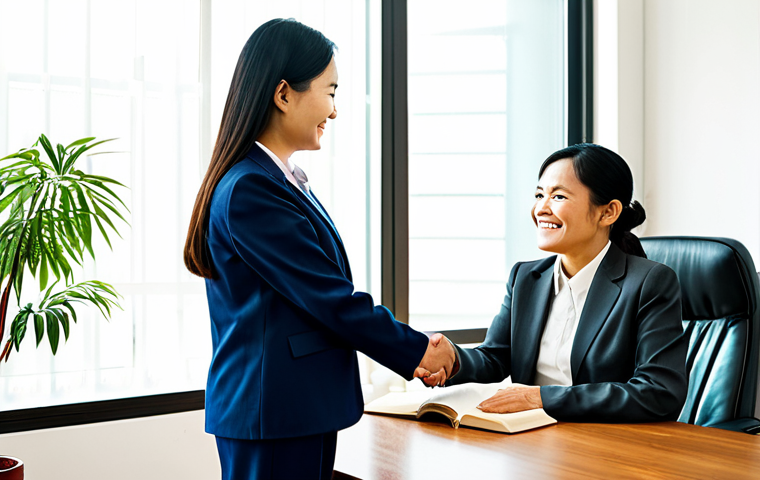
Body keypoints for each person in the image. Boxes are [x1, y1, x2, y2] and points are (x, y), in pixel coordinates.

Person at [183, 19, 454, 480]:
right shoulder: (252, 188)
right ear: (284, 94)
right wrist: (416, 352)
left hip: (289, 410)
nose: (334, 110)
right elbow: (328, 297)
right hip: (275, 414)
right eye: (329, 92)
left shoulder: (275, 179)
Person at [425, 143, 688, 423]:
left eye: (558, 196)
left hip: (606, 447)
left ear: (608, 212)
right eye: (539, 194)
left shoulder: (650, 283)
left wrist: (539, 398)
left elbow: (658, 392)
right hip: (530, 439)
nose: (541, 208)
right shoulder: (525, 278)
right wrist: (453, 360)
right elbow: (495, 358)